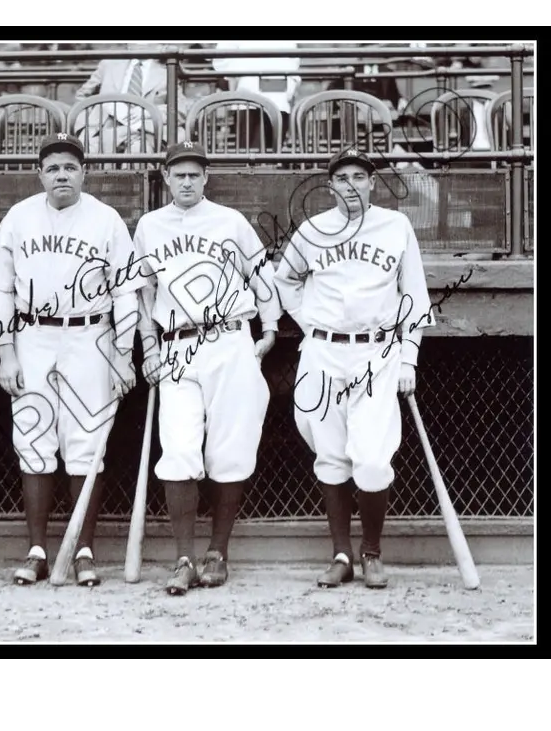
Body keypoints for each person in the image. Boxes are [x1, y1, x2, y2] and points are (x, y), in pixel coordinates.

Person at [0, 132, 144, 587]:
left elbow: (126, 292)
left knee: (87, 444)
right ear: (40, 174)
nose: (62, 175)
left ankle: (83, 550)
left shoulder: (106, 219)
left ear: (84, 172)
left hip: (91, 336)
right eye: (52, 167)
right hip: (33, 336)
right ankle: (36, 550)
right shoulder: (19, 217)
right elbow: (2, 291)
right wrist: (6, 352)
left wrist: (122, 355)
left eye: (70, 167)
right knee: (33, 440)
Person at [273, 147, 436, 589]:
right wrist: (309, 320)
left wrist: (409, 357)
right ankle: (342, 553)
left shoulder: (395, 226)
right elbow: (285, 280)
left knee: (371, 459)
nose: (350, 185)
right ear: (330, 187)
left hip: (378, 353)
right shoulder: (312, 228)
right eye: (341, 177)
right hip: (323, 352)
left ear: (371, 183)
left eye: (359, 177)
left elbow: (414, 298)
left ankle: (373, 552)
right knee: (330, 454)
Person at [135, 141, 281, 595]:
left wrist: (270, 330)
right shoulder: (149, 226)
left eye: (194, 174)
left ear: (206, 178)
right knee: (178, 450)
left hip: (230, 339)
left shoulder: (230, 221)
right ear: (165, 178)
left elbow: (262, 276)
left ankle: (218, 551)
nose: (186, 181)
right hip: (177, 343)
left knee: (230, 450)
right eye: (178, 174)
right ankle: (184, 558)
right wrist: (149, 347)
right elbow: (142, 293)